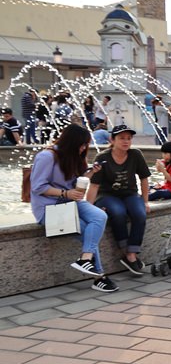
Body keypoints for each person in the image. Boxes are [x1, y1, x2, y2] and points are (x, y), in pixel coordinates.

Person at [29, 124, 116, 292]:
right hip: (49, 208)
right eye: (82, 144)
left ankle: (85, 259)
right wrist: (66, 194)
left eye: (86, 145)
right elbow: (38, 187)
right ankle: (99, 277)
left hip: (68, 202)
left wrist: (89, 175)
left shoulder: (74, 157)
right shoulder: (47, 156)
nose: (84, 148)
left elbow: (73, 185)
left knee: (99, 216)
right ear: (71, 142)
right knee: (87, 232)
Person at [86, 124, 150, 276]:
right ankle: (124, 250)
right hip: (107, 196)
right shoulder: (102, 158)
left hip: (130, 194)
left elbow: (144, 179)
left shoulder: (136, 155)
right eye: (121, 138)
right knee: (118, 212)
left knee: (140, 213)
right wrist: (89, 208)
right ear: (112, 140)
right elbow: (94, 185)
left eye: (129, 138)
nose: (126, 141)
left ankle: (131, 253)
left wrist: (146, 201)